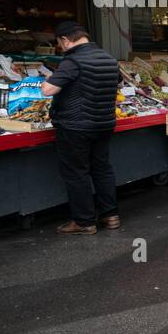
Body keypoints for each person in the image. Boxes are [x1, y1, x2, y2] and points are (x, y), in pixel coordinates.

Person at [40, 21, 121, 235]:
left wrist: (49, 78)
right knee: (102, 169)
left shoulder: (72, 62)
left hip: (75, 126)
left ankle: (84, 222)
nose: (61, 47)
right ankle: (110, 215)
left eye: (59, 43)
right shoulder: (109, 58)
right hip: (104, 123)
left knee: (77, 173)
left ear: (66, 40)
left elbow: (48, 91)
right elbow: (118, 82)